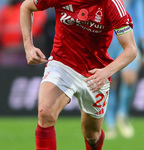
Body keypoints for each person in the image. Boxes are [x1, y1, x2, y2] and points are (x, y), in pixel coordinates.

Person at [20, 0, 137, 150]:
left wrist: (105, 72)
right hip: (62, 63)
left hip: (95, 73)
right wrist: (28, 47)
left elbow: (131, 50)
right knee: (46, 114)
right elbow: (26, 7)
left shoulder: (112, 3)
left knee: (92, 135)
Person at [105, 0, 144, 139]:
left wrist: (143, 39)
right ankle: (109, 122)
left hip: (129, 34)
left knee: (130, 78)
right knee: (110, 81)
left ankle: (122, 115)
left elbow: (140, 12)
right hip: (108, 35)